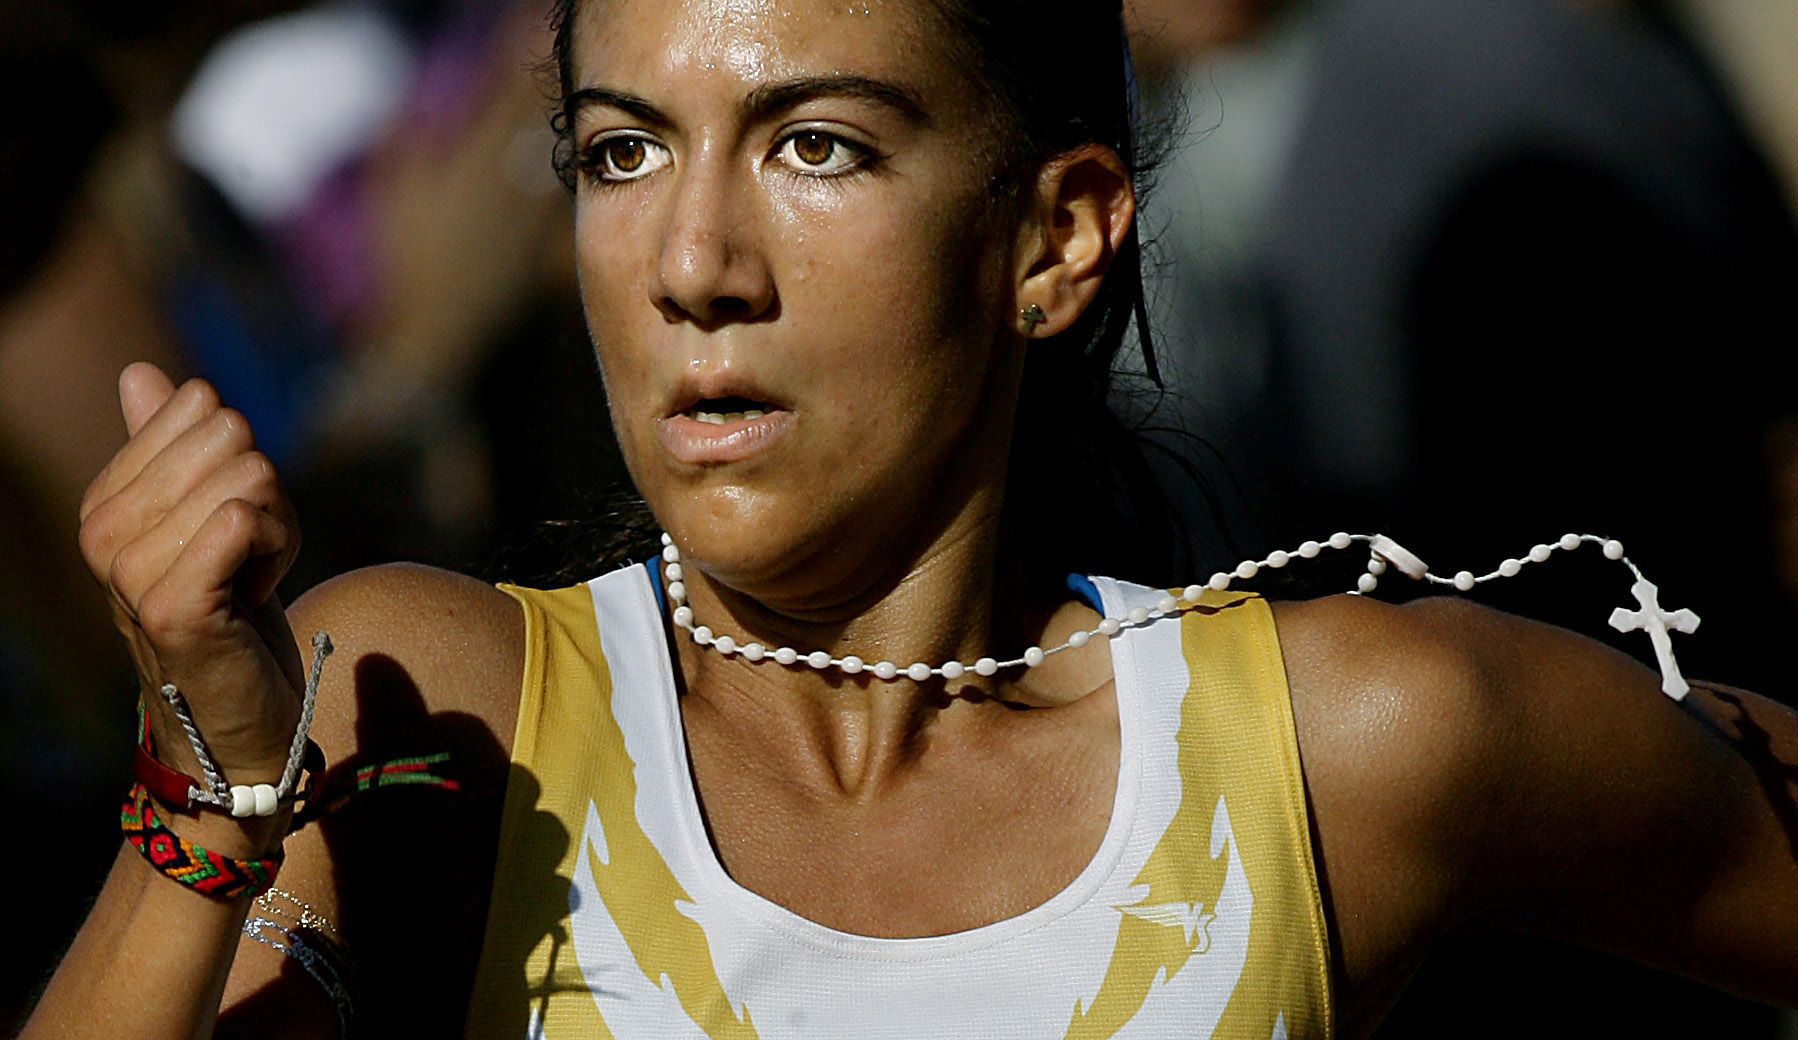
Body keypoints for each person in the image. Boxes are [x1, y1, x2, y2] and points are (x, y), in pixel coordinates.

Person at [21, 0, 1798, 1037]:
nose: (694, 267)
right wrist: (213, 774)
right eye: (621, 152)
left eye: (818, 147)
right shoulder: (431, 717)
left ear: (1055, 239)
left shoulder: (1340, 747)